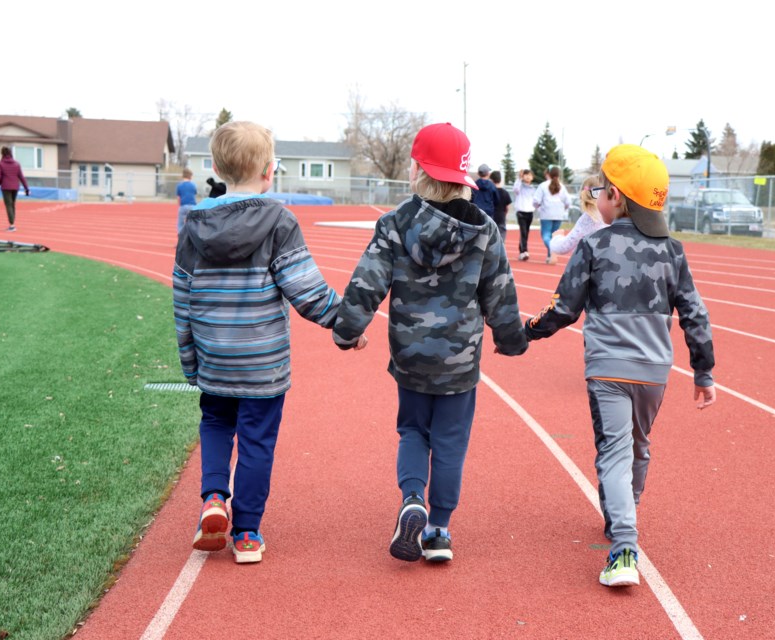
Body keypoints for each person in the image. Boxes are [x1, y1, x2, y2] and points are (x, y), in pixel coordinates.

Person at [332, 122, 527, 564]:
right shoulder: (485, 232)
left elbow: (367, 283)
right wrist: (512, 341)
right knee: (452, 439)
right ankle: (439, 529)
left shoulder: (395, 224)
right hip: (460, 362)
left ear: (418, 169)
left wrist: (347, 331)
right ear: (463, 177)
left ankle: (412, 498)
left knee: (413, 430)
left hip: (409, 355)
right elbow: (500, 294)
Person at [524, 144, 716, 588]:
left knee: (613, 451)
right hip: (653, 371)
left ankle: (623, 543)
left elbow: (563, 309)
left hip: (607, 368)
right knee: (638, 446)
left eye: (599, 190)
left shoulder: (593, 245)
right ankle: (623, 512)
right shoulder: (673, 251)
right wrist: (703, 371)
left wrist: (525, 332)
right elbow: (694, 314)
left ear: (614, 196)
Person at [173, 121, 359, 564]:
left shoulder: (193, 225)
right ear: (270, 170)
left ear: (216, 167)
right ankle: (247, 533)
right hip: (263, 360)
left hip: (215, 355)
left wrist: (189, 359)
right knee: (257, 440)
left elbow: (182, 298)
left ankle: (214, 498)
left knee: (216, 425)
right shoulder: (279, 221)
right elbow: (305, 289)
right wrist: (346, 324)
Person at [548, 175, 608, 256]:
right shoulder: (617, 216)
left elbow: (564, 247)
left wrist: (556, 238)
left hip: (590, 264)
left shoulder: (587, 220)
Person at [532, 165, 570, 264]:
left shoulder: (543, 185)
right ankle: (550, 255)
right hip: (558, 214)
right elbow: (568, 202)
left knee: (546, 234)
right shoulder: (562, 186)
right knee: (554, 235)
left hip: (546, 213)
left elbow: (536, 200)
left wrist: (537, 207)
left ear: (548, 174)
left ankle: (552, 251)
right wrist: (563, 209)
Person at [0, 146, 29, 231]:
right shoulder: (17, 164)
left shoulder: (0, 164)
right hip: (15, 187)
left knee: (8, 205)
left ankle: (12, 225)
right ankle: (12, 222)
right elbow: (21, 177)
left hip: (6, 187)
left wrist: (0, 182)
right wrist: (26, 188)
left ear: (2, 154)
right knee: (13, 204)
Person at [512, 168, 537, 260]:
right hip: (521, 212)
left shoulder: (533, 189)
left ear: (532, 177)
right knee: (523, 232)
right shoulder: (520, 187)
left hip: (530, 212)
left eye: (530, 175)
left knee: (526, 232)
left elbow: (536, 200)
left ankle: (522, 249)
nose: (527, 176)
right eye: (526, 174)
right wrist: (519, 178)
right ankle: (524, 251)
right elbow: (515, 189)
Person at [490, 170, 511, 241]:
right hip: (501, 216)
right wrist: (505, 214)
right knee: (501, 238)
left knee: (490, 237)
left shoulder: (490, 192)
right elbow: (507, 207)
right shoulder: (505, 193)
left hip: (491, 216)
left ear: (491, 180)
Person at [176, 168, 198, 234]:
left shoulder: (179, 185)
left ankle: (181, 237)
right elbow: (194, 194)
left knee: (180, 224)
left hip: (183, 206)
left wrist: (180, 206)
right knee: (193, 223)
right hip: (192, 206)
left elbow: (178, 198)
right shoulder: (193, 185)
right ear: (190, 176)